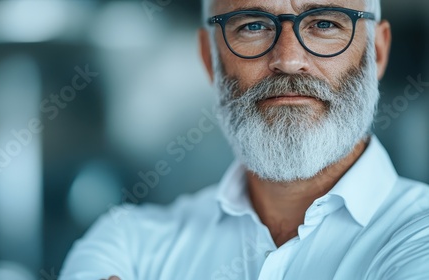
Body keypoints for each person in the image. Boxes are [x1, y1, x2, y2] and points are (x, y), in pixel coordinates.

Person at [60, 0, 429, 279]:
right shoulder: (127, 243)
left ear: (376, 52)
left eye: (323, 23)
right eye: (253, 26)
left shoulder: (419, 236)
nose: (288, 59)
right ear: (210, 59)